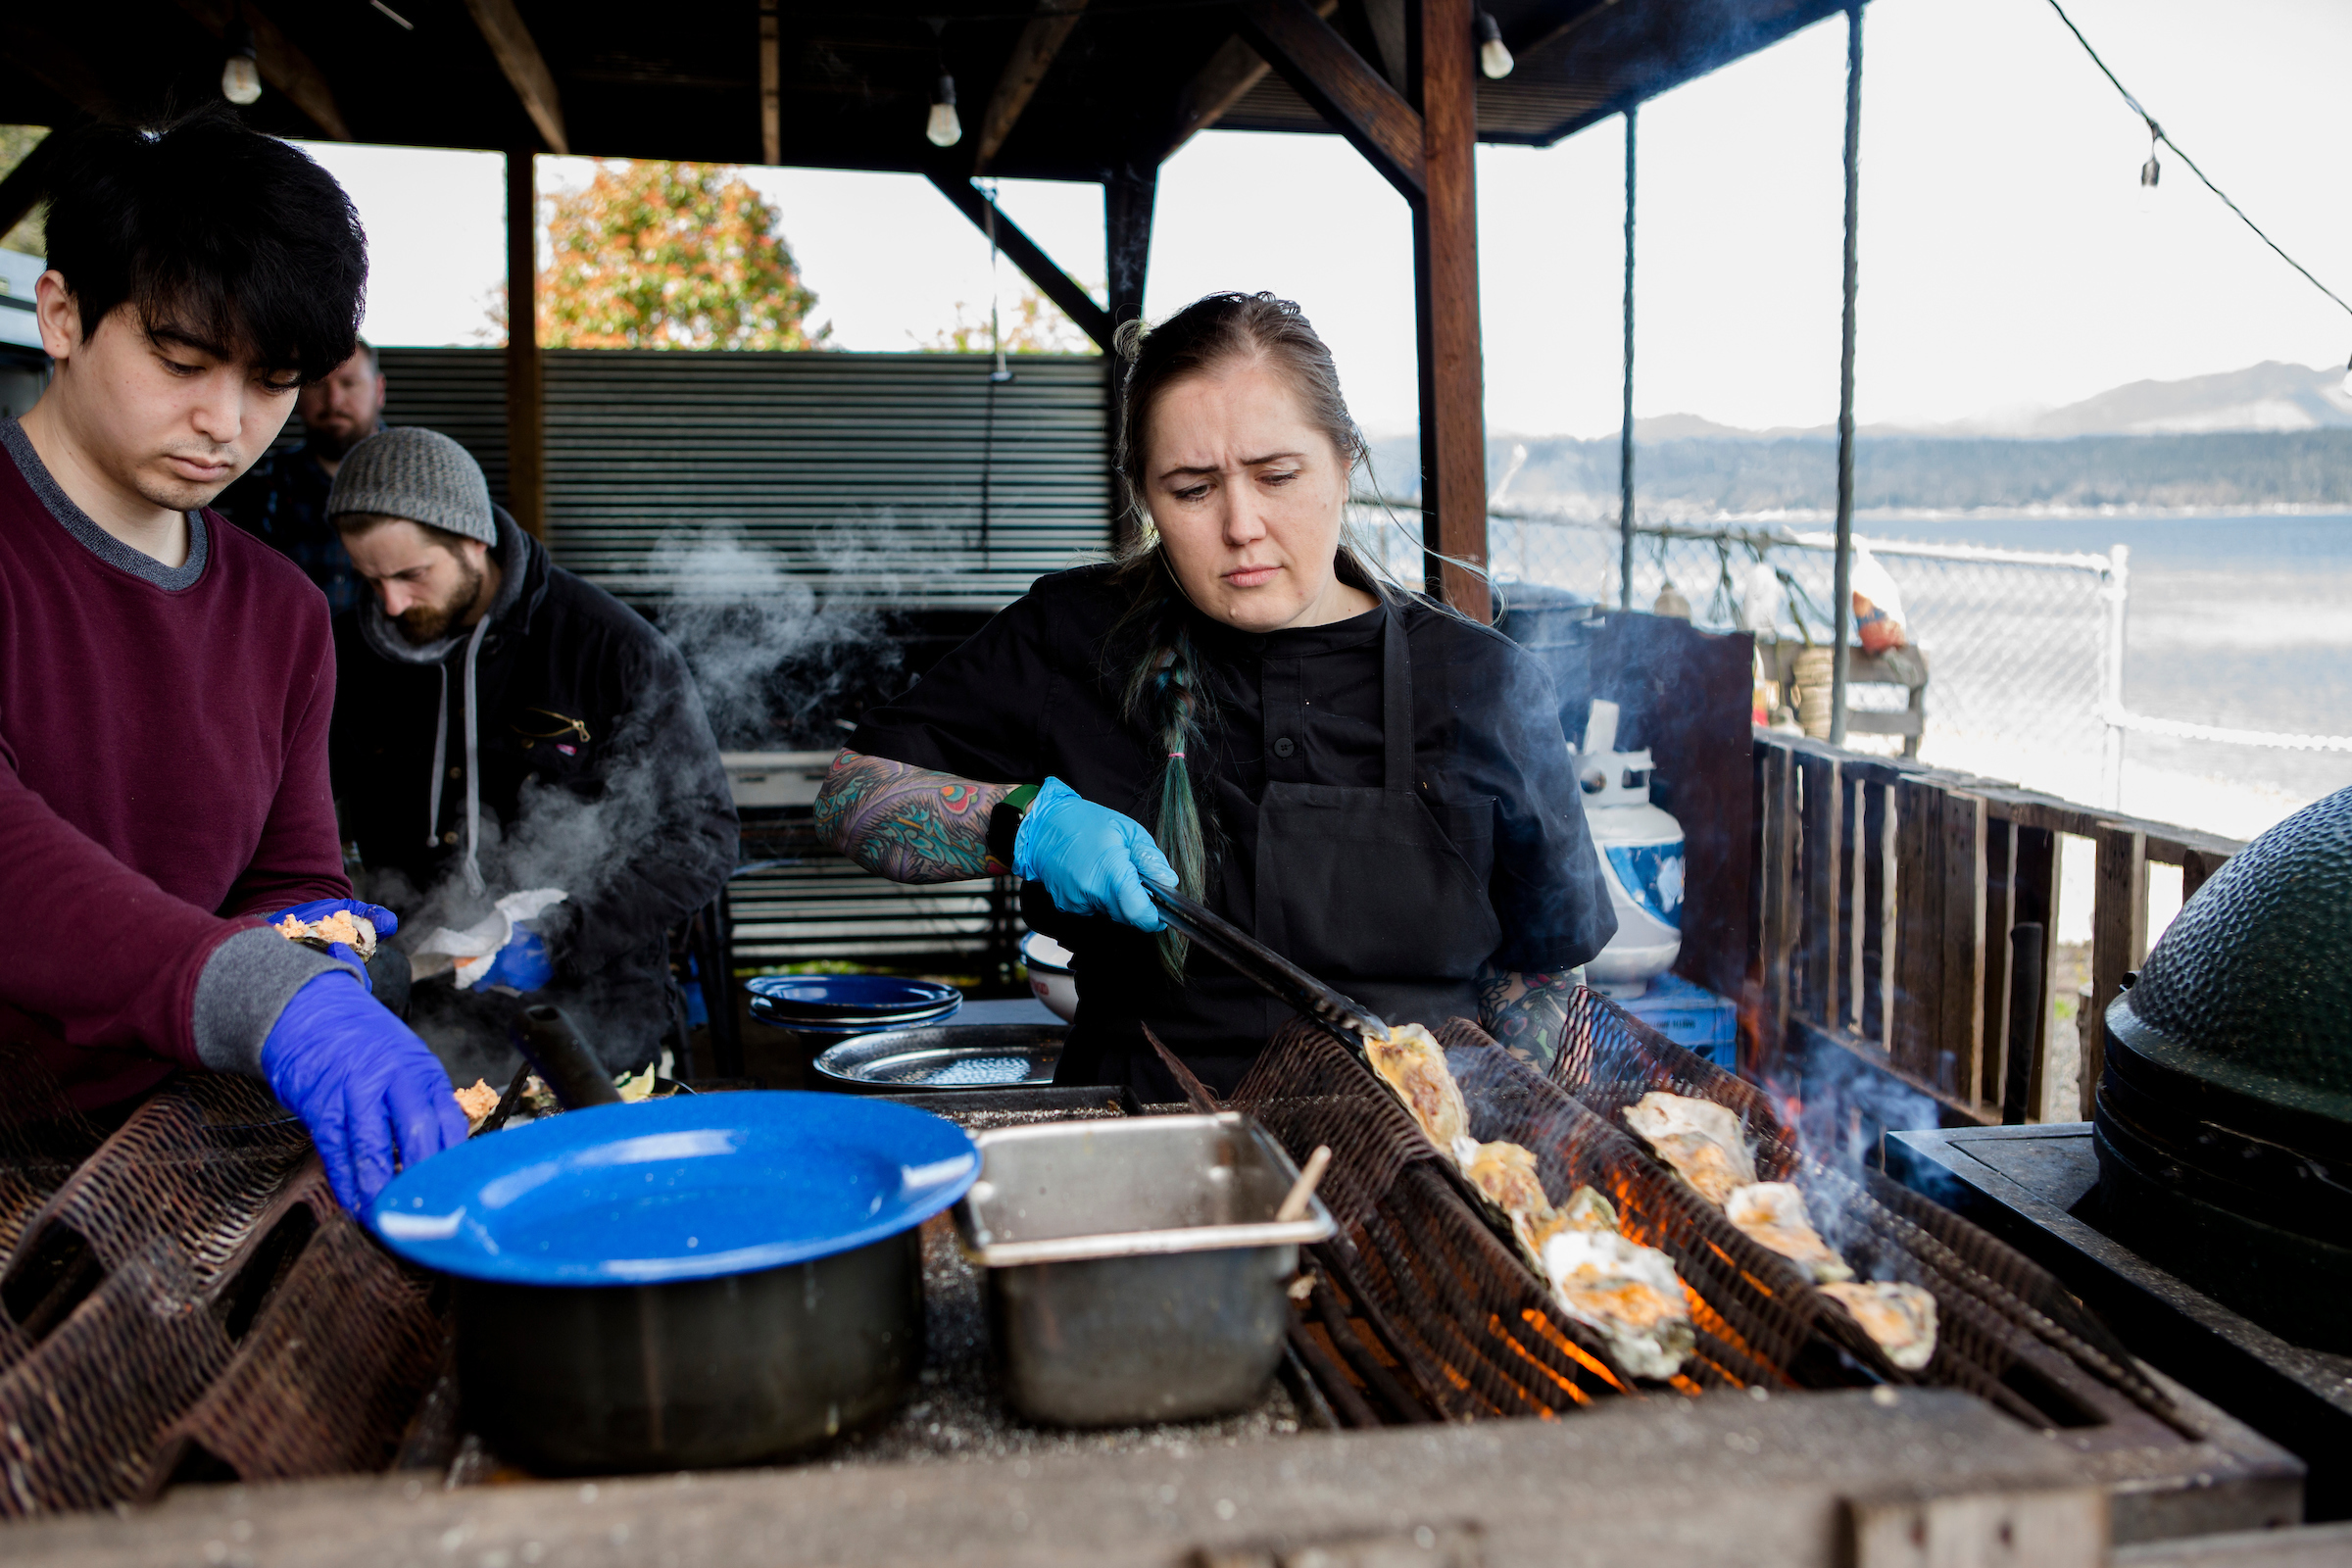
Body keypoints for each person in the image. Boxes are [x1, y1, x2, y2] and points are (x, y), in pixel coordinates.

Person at [817, 293, 1614, 1098]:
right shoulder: (1074, 636)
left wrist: (1521, 1136)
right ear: (1146, 497)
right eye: (1192, 490)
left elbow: (1544, 970)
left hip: (1412, 1161)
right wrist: (1022, 825)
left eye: (1277, 476)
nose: (1241, 525)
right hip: (1145, 1148)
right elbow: (851, 798)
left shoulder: (1480, 681)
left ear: (1344, 463)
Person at [0, 110, 465, 1208]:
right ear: (62, 314)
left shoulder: (284, 612)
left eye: (272, 381)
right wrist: (267, 996)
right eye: (182, 359)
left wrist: (322, 951)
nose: (226, 421)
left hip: (169, 1151)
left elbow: (287, 874)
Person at [327, 427, 738, 1079]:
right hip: (421, 1015)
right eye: (370, 579)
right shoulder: (347, 654)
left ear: (472, 539)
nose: (392, 604)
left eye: (411, 574)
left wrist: (559, 935)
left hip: (594, 1014)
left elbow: (704, 838)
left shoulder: (609, 648)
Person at [213, 338, 386, 612]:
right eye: (317, 384)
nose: (334, 400)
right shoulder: (263, 479)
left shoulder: (423, 476)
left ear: (379, 390)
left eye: (349, 384)